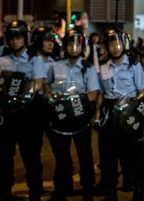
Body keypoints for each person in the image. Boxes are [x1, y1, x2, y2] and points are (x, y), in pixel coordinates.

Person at [0, 20, 46, 201]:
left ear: (25, 38)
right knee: (5, 155)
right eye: (12, 38)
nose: (15, 41)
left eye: (19, 37)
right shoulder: (2, 59)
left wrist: (21, 87)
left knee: (31, 155)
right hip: (7, 114)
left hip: (28, 113)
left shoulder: (35, 58)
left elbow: (38, 84)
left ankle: (35, 191)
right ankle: (5, 190)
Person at [95, 29, 144, 201]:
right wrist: (97, 115)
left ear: (124, 44)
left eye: (118, 43)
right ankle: (111, 193)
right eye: (111, 44)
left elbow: (143, 92)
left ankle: (138, 192)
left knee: (134, 155)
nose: (115, 47)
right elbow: (100, 94)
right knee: (108, 155)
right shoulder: (103, 66)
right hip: (109, 111)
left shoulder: (134, 64)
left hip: (130, 111)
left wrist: (136, 112)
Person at [45, 29, 100, 201]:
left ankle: (88, 189)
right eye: (70, 43)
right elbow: (46, 85)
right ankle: (61, 188)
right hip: (60, 116)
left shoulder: (88, 68)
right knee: (61, 155)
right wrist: (51, 97)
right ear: (65, 45)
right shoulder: (56, 65)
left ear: (82, 47)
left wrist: (77, 98)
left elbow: (93, 93)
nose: (73, 47)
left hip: (80, 116)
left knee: (85, 154)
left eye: (77, 44)